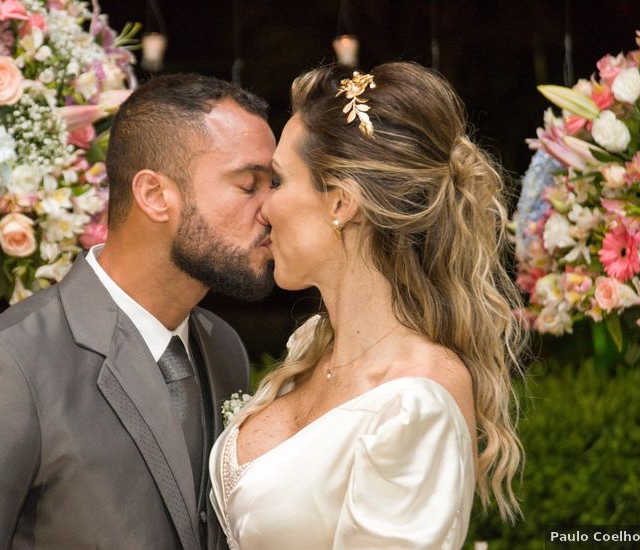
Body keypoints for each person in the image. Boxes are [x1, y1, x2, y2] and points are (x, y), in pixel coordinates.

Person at [0, 74, 277, 550]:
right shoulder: (2, 367)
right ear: (154, 195)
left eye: (273, 185)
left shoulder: (222, 348)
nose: (272, 209)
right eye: (249, 185)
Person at [209, 62, 526, 549]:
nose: (263, 209)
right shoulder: (312, 348)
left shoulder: (416, 401)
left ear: (340, 203)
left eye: (278, 181)